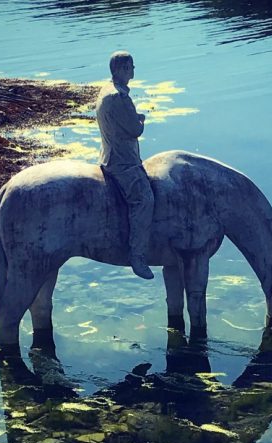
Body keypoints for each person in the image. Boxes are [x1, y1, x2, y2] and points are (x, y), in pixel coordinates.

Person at [96, 51, 155, 280]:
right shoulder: (119, 97)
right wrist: (140, 120)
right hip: (122, 162)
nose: (133, 70)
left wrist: (133, 116)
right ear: (121, 69)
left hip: (108, 154)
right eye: (130, 67)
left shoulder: (105, 90)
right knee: (144, 200)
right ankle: (137, 256)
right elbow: (135, 130)